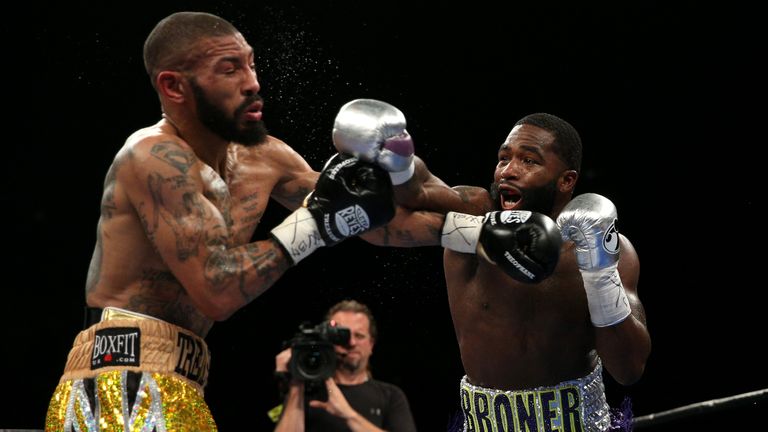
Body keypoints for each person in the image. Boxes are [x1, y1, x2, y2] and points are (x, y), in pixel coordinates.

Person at [44, 13, 400, 431]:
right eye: (230, 69)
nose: (252, 83)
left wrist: (469, 223)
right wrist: (315, 225)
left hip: (179, 380)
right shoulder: (154, 158)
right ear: (173, 86)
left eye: (251, 64)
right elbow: (218, 291)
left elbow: (366, 213)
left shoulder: (265, 156)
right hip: (122, 379)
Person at [331, 100, 652, 432]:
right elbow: (416, 194)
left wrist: (599, 271)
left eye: (528, 160)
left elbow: (629, 369)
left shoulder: (610, 248)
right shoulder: (474, 218)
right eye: (503, 158)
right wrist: (394, 157)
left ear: (566, 181)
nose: (508, 170)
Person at [273, 299, 417, 432]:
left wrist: (348, 414)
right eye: (343, 336)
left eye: (359, 336)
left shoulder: (391, 395)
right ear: (328, 340)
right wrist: (296, 382)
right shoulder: (306, 394)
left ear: (371, 344)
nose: (351, 343)